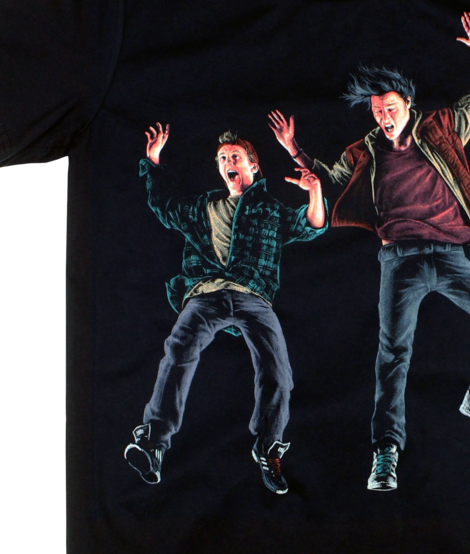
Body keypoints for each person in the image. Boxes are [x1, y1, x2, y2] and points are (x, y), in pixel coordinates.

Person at [269, 13, 470, 492]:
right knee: (393, 353)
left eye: (390, 108)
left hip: (449, 255)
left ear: (408, 105)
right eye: (376, 111)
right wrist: (295, 151)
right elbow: (331, 178)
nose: (383, 117)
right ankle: (386, 451)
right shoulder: (364, 152)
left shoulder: (442, 128)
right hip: (400, 260)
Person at [124, 123, 327, 495]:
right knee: (179, 349)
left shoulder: (268, 209)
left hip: (253, 296)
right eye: (222, 159)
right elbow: (164, 207)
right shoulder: (203, 206)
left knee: (277, 369)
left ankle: (268, 446)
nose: (228, 162)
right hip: (205, 293)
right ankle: (153, 442)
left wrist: (315, 191)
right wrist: (152, 162)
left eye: (235, 156)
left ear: (253, 165)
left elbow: (310, 224)